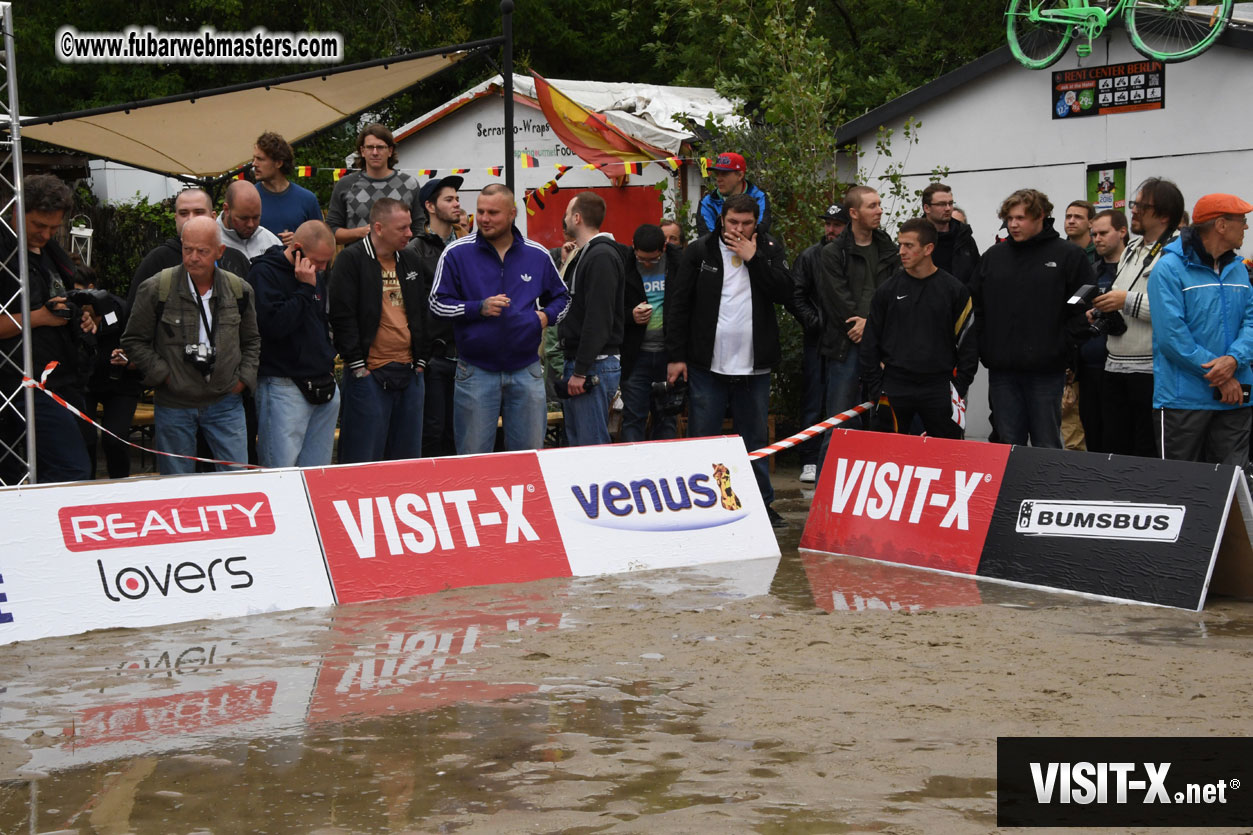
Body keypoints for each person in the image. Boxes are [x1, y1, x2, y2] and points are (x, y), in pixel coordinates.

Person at [667, 193, 792, 528]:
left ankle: (763, 503)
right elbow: (678, 305)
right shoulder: (699, 251)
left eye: (746, 223)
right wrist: (676, 357)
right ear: (722, 219)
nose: (738, 228)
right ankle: (702, 502)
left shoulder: (768, 248)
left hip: (755, 363)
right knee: (704, 435)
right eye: (733, 222)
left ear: (756, 222)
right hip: (707, 363)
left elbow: (785, 292)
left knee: (754, 438)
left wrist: (756, 258)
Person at [429, 184, 569, 454]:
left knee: (529, 460)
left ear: (512, 213)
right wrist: (477, 308)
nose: (484, 218)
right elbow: (436, 304)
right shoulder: (456, 253)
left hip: (526, 371)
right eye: (480, 211)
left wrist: (545, 316)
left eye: (493, 212)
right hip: (475, 372)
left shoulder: (536, 254)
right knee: (474, 462)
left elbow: (563, 299)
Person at [122, 216, 259, 475]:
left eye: (202, 251)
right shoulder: (156, 288)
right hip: (174, 403)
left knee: (238, 480)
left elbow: (252, 340)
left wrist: (243, 379)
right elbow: (133, 340)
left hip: (226, 400)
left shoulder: (239, 290)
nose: (193, 257)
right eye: (188, 249)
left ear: (219, 252)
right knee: (177, 483)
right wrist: (163, 376)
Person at [970, 188, 1093, 448]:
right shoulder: (994, 257)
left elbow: (1082, 304)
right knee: (1007, 442)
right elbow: (977, 305)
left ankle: (1048, 490)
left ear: (1041, 217)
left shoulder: (1068, 256)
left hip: (1046, 371)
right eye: (1009, 219)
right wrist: (985, 345)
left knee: (1047, 443)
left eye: (1021, 218)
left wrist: (1061, 343)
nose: (1013, 224)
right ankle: (1011, 490)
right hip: (1002, 370)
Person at [0, 174, 97, 484]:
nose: (45, 234)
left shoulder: (54, 254)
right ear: (16, 210)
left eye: (54, 228)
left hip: (64, 379)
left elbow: (63, 302)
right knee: (71, 470)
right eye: (39, 226)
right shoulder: (4, 253)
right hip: (19, 382)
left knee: (70, 467)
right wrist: (39, 317)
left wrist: (81, 317)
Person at [1149, 193, 1253, 465]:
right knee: (1178, 488)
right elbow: (1172, 337)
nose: (1246, 227)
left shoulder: (1239, 269)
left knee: (1231, 488)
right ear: (1220, 225)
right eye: (1241, 220)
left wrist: (1233, 360)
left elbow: (1251, 321)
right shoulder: (1168, 269)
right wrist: (1221, 375)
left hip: (1235, 398)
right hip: (1183, 401)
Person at [329, 198, 428, 464]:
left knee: (406, 463)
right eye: (402, 228)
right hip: (369, 374)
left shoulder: (410, 260)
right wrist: (359, 366)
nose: (410, 233)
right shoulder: (351, 260)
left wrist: (421, 361)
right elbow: (341, 316)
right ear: (379, 228)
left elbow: (422, 311)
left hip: (410, 372)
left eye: (410, 227)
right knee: (363, 461)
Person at [860, 218, 977, 439]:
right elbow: (870, 342)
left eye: (909, 245)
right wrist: (877, 387)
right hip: (894, 386)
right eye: (900, 244)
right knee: (886, 455)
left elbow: (968, 344)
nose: (901, 251)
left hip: (939, 386)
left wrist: (958, 387)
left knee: (946, 457)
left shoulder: (954, 290)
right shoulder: (887, 290)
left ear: (928, 248)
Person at [1094, 178, 1184, 457]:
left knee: (1146, 451)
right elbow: (1122, 295)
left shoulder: (1179, 253)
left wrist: (1126, 301)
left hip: (1151, 372)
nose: (1133, 211)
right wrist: (1103, 307)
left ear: (1164, 215)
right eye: (1134, 204)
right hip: (1114, 366)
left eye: (1142, 206)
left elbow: (1178, 313)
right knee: (1115, 448)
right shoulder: (1131, 249)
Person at [249, 220, 339, 468]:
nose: (320, 268)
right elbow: (274, 327)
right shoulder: (264, 273)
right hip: (283, 383)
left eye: (325, 262)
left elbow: (320, 321)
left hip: (322, 380)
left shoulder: (314, 274)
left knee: (318, 471)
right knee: (281, 470)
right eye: (318, 261)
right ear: (297, 248)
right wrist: (304, 289)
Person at [816, 186, 900, 444]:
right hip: (846, 344)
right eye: (872, 206)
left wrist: (871, 325)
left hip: (884, 343)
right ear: (854, 212)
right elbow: (837, 300)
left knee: (888, 418)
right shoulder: (833, 252)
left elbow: (895, 295)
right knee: (838, 422)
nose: (879, 211)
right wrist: (864, 325)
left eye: (879, 204)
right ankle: (826, 482)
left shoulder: (890, 249)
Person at [558, 192, 624, 446]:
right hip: (583, 363)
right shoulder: (584, 254)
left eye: (566, 214)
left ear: (577, 218)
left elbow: (598, 318)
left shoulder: (601, 256)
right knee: (578, 447)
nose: (563, 220)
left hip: (593, 365)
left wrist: (581, 370)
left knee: (591, 448)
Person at [788, 203, 847, 483]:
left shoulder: (853, 254)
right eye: (828, 223)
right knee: (813, 399)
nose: (831, 229)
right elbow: (795, 296)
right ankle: (809, 458)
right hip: (817, 339)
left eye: (837, 224)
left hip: (848, 339)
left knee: (846, 400)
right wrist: (816, 322)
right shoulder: (811, 256)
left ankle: (842, 458)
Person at [406, 174, 464, 457]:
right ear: (430, 206)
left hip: (467, 357)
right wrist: (422, 354)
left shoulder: (467, 245)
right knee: (431, 431)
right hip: (434, 358)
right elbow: (412, 307)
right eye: (449, 199)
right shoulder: (415, 249)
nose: (457, 204)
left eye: (457, 198)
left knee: (459, 432)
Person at [128, 189, 249, 305]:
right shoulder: (158, 260)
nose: (191, 218)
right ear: (175, 218)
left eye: (199, 212)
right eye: (183, 213)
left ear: (213, 217)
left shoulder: (236, 259)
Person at [74, 266, 140, 479]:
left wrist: (129, 359)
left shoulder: (119, 309)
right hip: (84, 384)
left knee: (115, 438)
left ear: (90, 289)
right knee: (85, 439)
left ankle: (120, 485)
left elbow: (139, 342)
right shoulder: (67, 313)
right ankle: (85, 486)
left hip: (121, 383)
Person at [620, 224, 682, 443]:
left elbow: (686, 308)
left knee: (666, 417)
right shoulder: (624, 263)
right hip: (636, 355)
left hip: (669, 354)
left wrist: (679, 356)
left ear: (664, 248)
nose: (646, 264)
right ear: (633, 248)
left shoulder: (679, 262)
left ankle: (666, 471)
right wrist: (630, 316)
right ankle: (634, 471)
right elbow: (611, 307)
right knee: (633, 416)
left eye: (653, 260)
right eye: (641, 259)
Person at [1077, 209, 1128, 453]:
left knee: (1119, 439)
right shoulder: (1090, 271)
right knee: (1093, 434)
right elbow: (1072, 310)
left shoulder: (1134, 271)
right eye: (1094, 233)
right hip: (1090, 368)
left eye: (1103, 233)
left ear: (1122, 232)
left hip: (1123, 367)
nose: (1097, 238)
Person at [327, 123, 423, 245]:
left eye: (380, 147)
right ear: (362, 151)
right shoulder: (345, 184)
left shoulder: (410, 184)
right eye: (370, 147)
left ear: (390, 151)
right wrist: (360, 232)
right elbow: (330, 232)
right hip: (357, 262)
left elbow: (418, 232)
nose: (375, 152)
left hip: (401, 261)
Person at [253, 131, 324, 246]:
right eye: (254, 158)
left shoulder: (307, 200)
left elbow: (322, 243)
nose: (254, 164)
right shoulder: (248, 198)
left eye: (260, 159)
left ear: (278, 163)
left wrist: (301, 242)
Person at [696, 152, 771, 237]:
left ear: (740, 175)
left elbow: (761, 231)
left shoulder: (759, 198)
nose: (718, 179)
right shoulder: (707, 203)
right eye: (717, 174)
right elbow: (708, 238)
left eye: (724, 174)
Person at [921, 182, 980, 285]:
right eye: (942, 204)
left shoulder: (964, 237)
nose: (948, 208)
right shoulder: (917, 238)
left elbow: (977, 275)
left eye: (950, 203)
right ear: (927, 208)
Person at [218, 180, 281, 261]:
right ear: (226, 209)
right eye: (244, 218)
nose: (250, 225)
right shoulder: (210, 242)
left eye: (256, 217)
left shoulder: (270, 241)